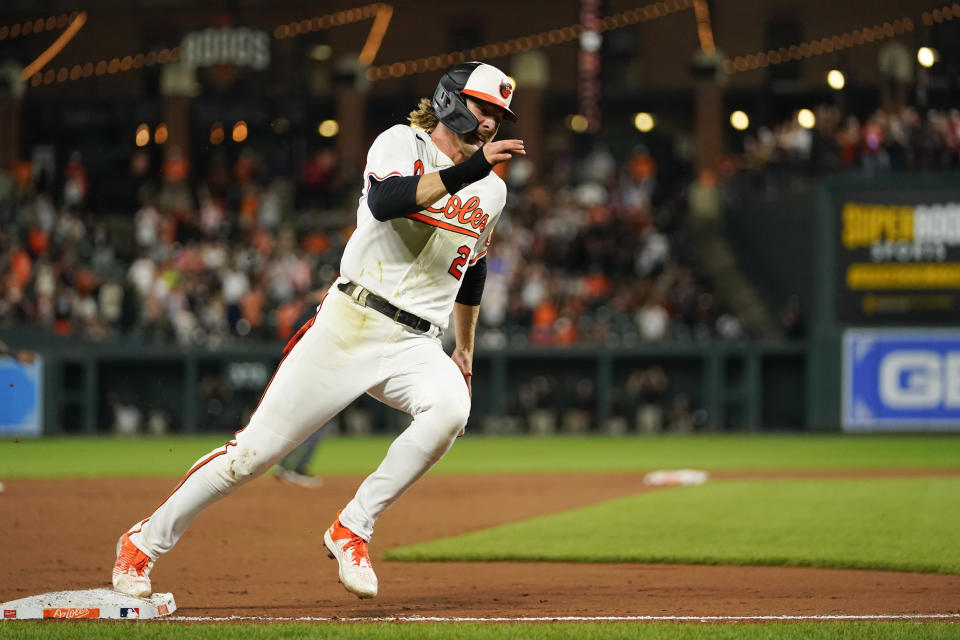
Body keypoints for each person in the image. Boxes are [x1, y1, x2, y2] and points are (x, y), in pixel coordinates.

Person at [112, 61, 525, 600]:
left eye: (499, 113)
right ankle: (142, 543)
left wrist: (465, 349)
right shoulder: (401, 142)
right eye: (483, 106)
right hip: (351, 323)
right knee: (250, 457)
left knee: (451, 409)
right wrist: (471, 173)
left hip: (416, 342)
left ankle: (352, 527)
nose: (491, 121)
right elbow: (387, 201)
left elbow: (471, 268)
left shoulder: (492, 192)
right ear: (450, 99)